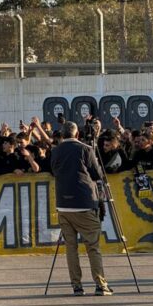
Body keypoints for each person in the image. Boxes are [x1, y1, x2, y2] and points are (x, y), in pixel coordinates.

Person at [50, 121, 111, 297]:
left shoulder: (56, 150)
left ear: (62, 135)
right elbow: (97, 174)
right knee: (92, 245)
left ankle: (76, 285)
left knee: (71, 247)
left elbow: (54, 170)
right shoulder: (85, 149)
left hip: (63, 204)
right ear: (77, 134)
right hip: (84, 202)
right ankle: (100, 284)